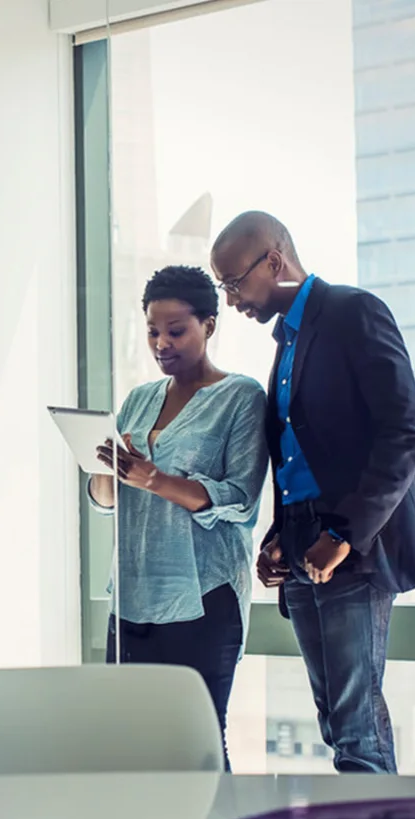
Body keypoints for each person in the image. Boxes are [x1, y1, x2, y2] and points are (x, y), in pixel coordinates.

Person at [210, 211, 415, 775]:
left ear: (274, 260)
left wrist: (341, 534)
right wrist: (279, 536)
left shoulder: (352, 313)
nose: (231, 299)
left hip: (354, 552)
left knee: (357, 729)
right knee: (337, 725)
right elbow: (300, 454)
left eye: (234, 283)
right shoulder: (286, 341)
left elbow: (407, 432)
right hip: (305, 551)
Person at [89, 265, 267, 771]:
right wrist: (106, 469)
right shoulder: (139, 400)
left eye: (175, 331)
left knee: (199, 744)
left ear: (209, 325)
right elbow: (106, 498)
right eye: (151, 331)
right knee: (129, 746)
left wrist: (155, 480)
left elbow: (240, 499)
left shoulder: (240, 398)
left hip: (203, 599)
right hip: (132, 598)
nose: (161, 343)